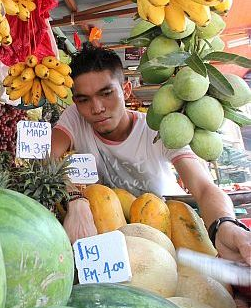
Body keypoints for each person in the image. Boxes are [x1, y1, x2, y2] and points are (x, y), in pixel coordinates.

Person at [51, 45, 251, 268]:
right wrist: (76, 201)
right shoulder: (75, 118)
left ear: (126, 90)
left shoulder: (159, 128)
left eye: (106, 94)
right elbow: (45, 160)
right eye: (83, 100)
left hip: (173, 233)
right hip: (117, 243)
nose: (96, 108)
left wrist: (225, 224)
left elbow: (203, 187)